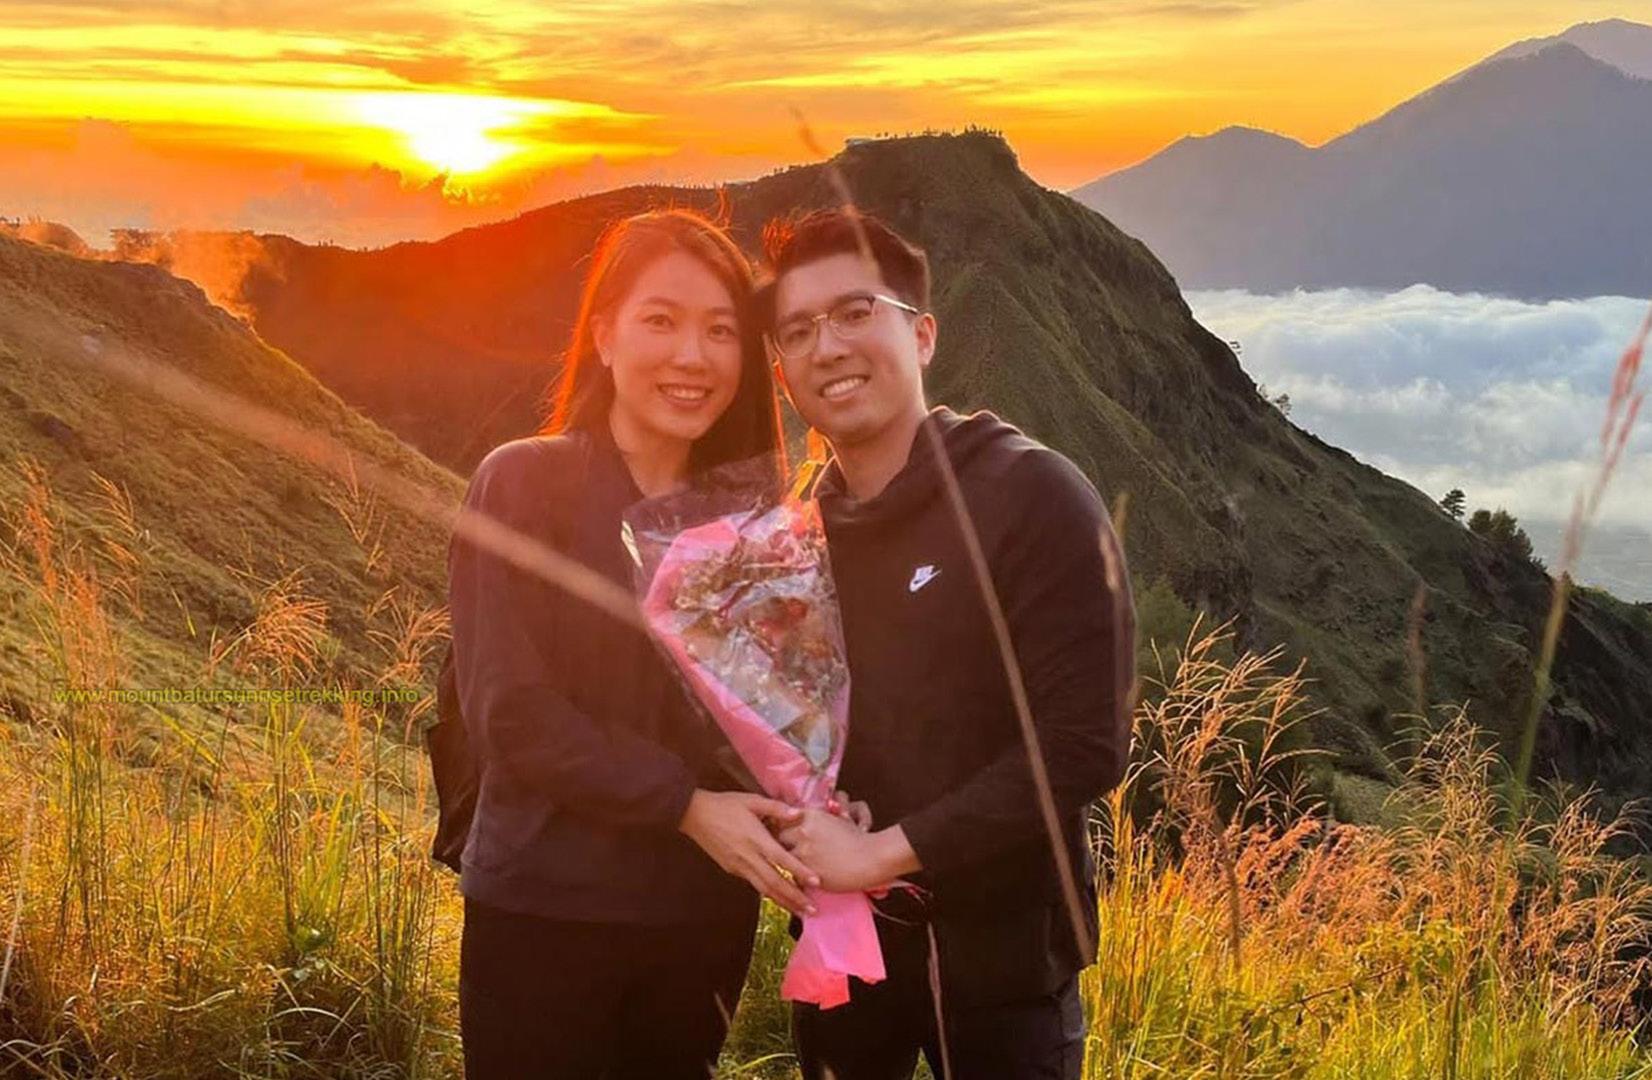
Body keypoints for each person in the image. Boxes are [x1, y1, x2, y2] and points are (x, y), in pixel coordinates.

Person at [758, 208, 1137, 1080]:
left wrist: (882, 850)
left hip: (1006, 964)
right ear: (781, 372)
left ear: (922, 335)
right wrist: (811, 808)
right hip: (847, 952)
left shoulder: (1030, 493)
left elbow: (1084, 744)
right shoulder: (797, 539)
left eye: (856, 313)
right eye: (799, 331)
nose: (828, 347)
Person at [447, 208, 820, 1078]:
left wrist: (825, 795)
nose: (693, 356)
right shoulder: (524, 484)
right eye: (662, 320)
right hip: (546, 909)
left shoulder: (752, 524)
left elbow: (767, 720)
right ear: (605, 335)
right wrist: (687, 806)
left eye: (721, 331)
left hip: (699, 918)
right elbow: (511, 713)